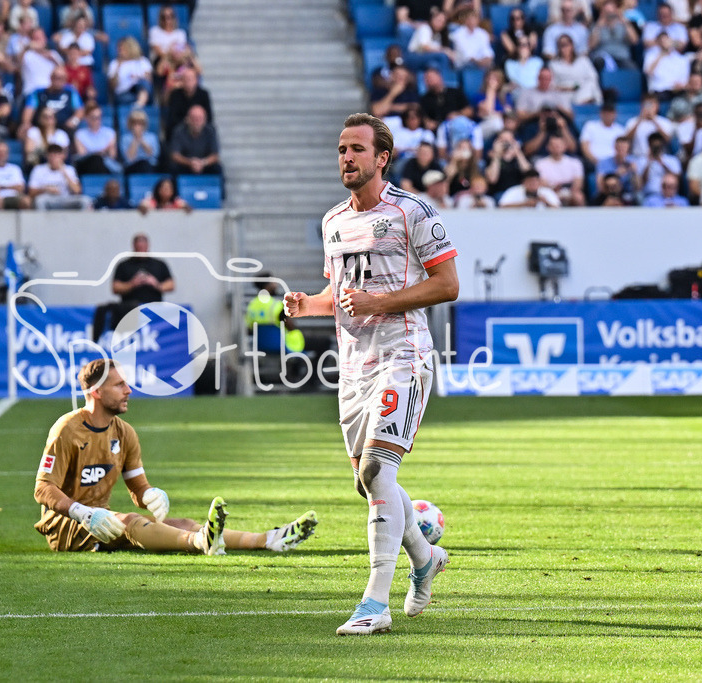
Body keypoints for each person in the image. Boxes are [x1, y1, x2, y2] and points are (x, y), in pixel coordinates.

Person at [283, 113, 456, 636]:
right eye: (341, 149)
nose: (347, 158)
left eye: (357, 149)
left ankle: (373, 603)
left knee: (378, 473)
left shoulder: (412, 212)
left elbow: (447, 284)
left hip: (404, 353)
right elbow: (340, 294)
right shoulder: (333, 220)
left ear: (382, 158)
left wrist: (382, 300)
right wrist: (308, 305)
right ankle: (425, 558)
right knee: (368, 482)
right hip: (353, 367)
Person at [34, 358, 319, 554]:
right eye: (119, 385)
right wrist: (81, 512)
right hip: (68, 527)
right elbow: (43, 488)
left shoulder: (124, 432)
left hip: (102, 518)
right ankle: (199, 543)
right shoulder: (67, 430)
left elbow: (138, 488)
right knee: (131, 521)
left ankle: (267, 540)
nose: (128, 390)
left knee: (179, 524)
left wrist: (150, 495)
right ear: (95, 392)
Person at [92, 233, 175, 341]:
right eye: (138, 247)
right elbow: (115, 287)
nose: (141, 249)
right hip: (130, 308)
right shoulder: (124, 265)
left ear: (148, 246)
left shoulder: (159, 264)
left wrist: (155, 284)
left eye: (143, 246)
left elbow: (171, 285)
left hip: (154, 309)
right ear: (134, 246)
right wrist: (132, 284)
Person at [28, 144, 92, 210]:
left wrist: (64, 172)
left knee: (85, 201)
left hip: (66, 199)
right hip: (48, 200)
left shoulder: (69, 169)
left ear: (62, 156)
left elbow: (77, 191)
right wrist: (45, 189)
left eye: (56, 156)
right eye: (51, 156)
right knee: (39, 201)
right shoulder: (38, 169)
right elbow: (31, 193)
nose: (54, 159)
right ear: (47, 156)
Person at [168, 105, 222, 175]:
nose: (197, 122)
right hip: (185, 164)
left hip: (204, 164)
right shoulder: (179, 131)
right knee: (173, 168)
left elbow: (215, 155)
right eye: (194, 118)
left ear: (205, 120)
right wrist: (190, 162)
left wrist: (203, 163)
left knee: (217, 169)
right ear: (187, 119)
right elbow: (175, 155)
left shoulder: (210, 131)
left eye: (200, 119)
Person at [498, 168, 563, 207]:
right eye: (530, 182)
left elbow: (558, 209)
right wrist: (524, 204)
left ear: (539, 182)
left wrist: (546, 202)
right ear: (523, 182)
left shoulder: (547, 192)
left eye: (535, 182)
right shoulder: (513, 191)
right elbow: (502, 207)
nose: (533, 184)